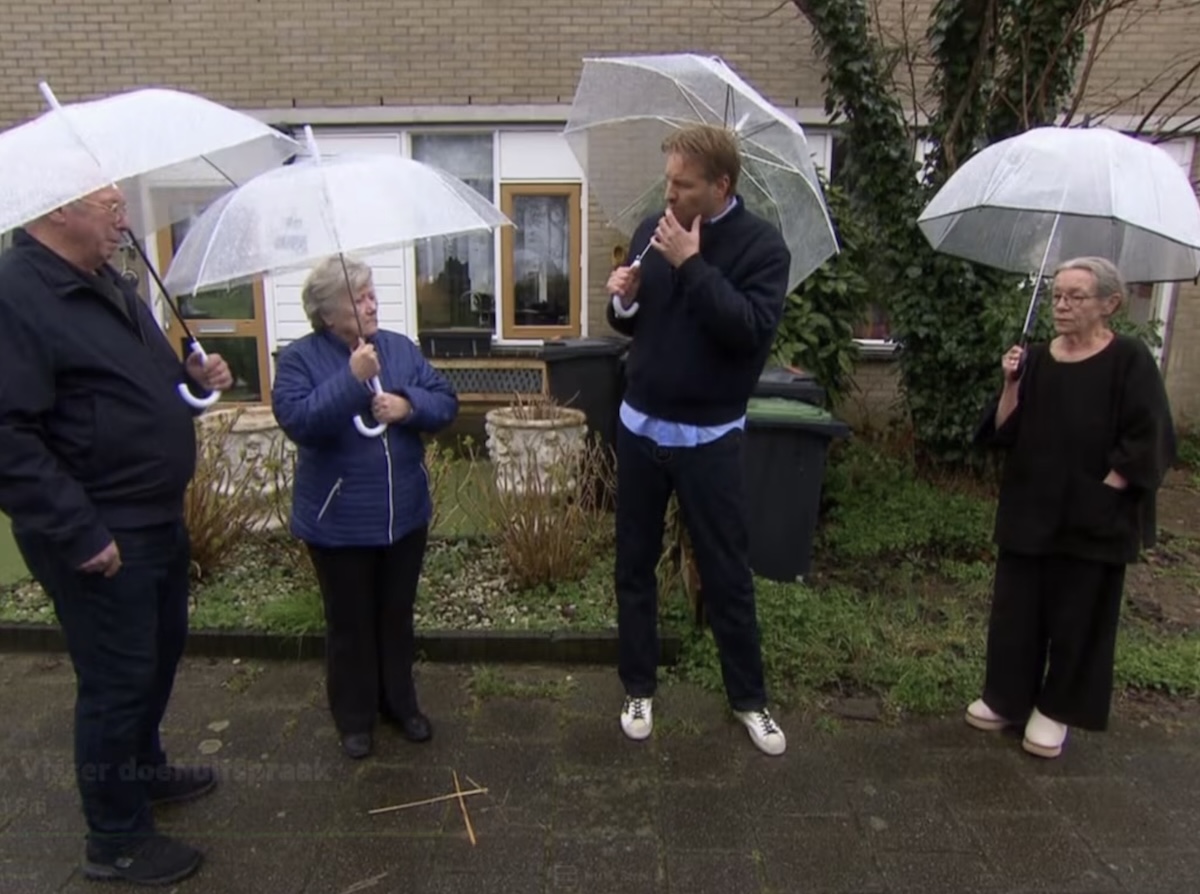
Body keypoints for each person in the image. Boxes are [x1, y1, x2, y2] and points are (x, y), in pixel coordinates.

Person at [0, 186, 233, 886]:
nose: (123, 216)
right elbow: (8, 433)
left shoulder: (108, 284)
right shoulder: (17, 297)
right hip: (99, 529)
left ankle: (144, 771)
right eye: (108, 203)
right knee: (115, 680)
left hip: (154, 515)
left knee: (157, 658)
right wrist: (79, 531)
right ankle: (116, 836)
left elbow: (150, 391)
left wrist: (194, 381)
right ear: (56, 210)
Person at [605, 124, 790, 756]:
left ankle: (749, 700)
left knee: (726, 570)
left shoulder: (763, 248)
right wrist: (624, 301)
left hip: (710, 437)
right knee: (633, 563)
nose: (670, 193)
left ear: (721, 185)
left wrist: (690, 262)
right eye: (668, 181)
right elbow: (633, 321)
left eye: (682, 184)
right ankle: (638, 687)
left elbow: (746, 330)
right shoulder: (651, 231)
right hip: (640, 427)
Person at [969, 256, 1175, 759]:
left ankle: (1056, 708)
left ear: (1110, 303)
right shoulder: (1035, 357)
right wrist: (1011, 382)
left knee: (1078, 614)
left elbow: (1150, 436)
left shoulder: (1129, 359)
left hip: (1095, 515)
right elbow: (1002, 431)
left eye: (1075, 296)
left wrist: (1108, 487)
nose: (1061, 304)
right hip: (1031, 508)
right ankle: (1007, 697)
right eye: (1057, 294)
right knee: (1017, 611)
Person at [272, 255, 458, 761]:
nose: (373, 302)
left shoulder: (398, 348)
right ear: (328, 314)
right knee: (350, 622)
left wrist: (406, 404)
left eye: (372, 292)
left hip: (405, 515)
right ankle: (354, 716)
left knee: (396, 616)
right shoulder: (299, 360)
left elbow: (446, 401)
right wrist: (350, 379)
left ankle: (400, 703)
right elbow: (298, 420)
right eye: (359, 297)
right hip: (339, 523)